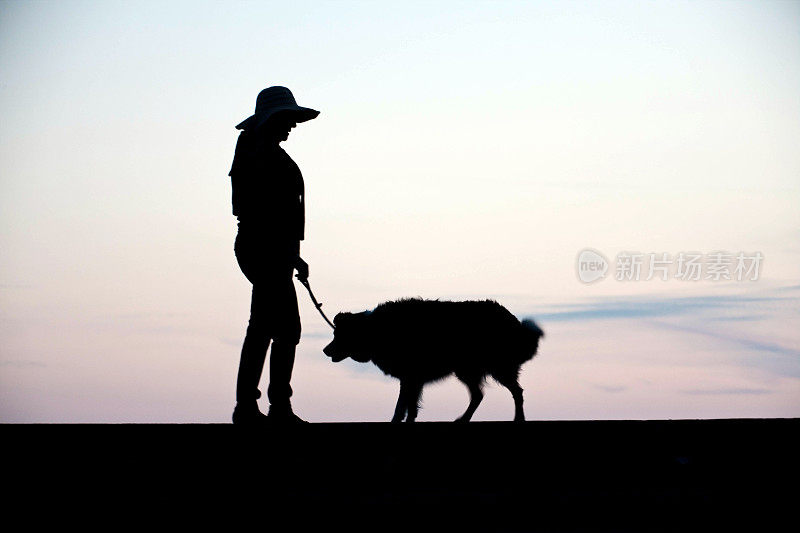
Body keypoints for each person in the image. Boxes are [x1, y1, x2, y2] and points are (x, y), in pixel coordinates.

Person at [229, 86, 319, 425]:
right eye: (287, 119)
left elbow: (283, 213)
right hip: (263, 247)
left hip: (271, 249)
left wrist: (294, 255)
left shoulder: (260, 151)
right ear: (273, 119)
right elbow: (263, 211)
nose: (292, 126)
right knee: (277, 328)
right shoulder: (256, 153)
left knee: (273, 327)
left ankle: (259, 407)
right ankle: (265, 408)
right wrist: (287, 251)